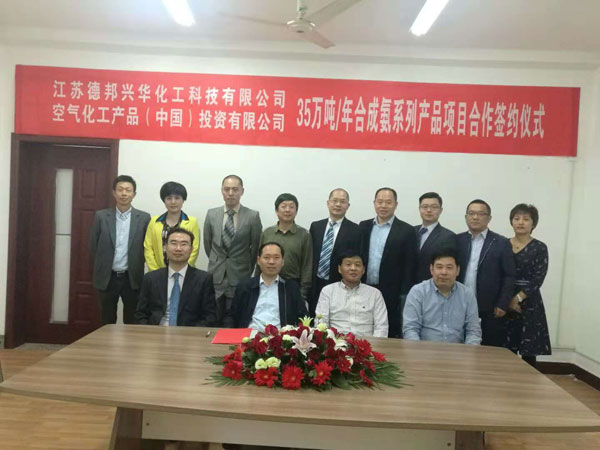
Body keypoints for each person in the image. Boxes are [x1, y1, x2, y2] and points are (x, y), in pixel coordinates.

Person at [90, 175, 150, 324]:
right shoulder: (101, 216)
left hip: (132, 277)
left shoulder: (144, 218)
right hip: (107, 277)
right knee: (107, 319)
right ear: (114, 192)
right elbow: (93, 246)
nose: (124, 193)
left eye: (128, 190)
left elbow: (147, 247)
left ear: (134, 194)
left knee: (133, 319)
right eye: (120, 189)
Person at [359, 187, 418, 338]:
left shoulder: (407, 230)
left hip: (392, 292)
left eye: (388, 202)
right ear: (374, 203)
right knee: (363, 326)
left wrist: (404, 294)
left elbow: (409, 265)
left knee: (388, 330)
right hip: (364, 287)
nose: (383, 206)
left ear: (396, 205)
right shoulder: (363, 226)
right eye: (380, 202)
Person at [204, 175, 262, 325]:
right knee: (212, 318)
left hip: (239, 275)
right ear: (221, 191)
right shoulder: (211, 214)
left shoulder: (252, 216)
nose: (230, 193)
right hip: (216, 274)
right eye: (227, 189)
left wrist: (246, 266)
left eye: (235, 189)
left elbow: (255, 248)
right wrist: (217, 260)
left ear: (242, 191)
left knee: (235, 319)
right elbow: (208, 244)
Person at [456, 199, 515, 347]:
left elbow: (509, 276)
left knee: (488, 348)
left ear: (489, 218)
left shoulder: (501, 243)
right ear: (466, 217)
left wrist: (503, 303)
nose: (475, 217)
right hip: (459, 303)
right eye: (471, 213)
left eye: (481, 214)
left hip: (489, 306)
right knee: (458, 345)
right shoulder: (457, 240)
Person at [135, 228, 216, 326]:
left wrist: (189, 333)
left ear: (191, 249)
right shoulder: (151, 278)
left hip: (188, 332)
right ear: (165, 247)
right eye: (174, 243)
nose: (178, 248)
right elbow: (140, 314)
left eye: (184, 244)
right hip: (156, 331)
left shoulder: (204, 279)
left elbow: (210, 317)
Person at [505, 204, 551, 368]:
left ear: (533, 223)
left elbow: (538, 278)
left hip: (530, 300)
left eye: (526, 219)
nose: (520, 222)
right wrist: (507, 300)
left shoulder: (539, 247)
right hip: (505, 297)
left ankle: (528, 381)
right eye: (516, 218)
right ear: (511, 221)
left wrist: (517, 298)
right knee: (505, 347)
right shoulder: (503, 244)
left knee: (528, 350)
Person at [403, 249, 481, 344]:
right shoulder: (418, 292)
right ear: (431, 269)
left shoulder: (467, 294)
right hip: (424, 350)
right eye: (439, 267)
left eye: (449, 267)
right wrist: (418, 351)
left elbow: (473, 331)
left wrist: (469, 351)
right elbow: (410, 329)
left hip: (457, 351)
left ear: (457, 270)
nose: (444, 272)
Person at [225, 242, 308, 330]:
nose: (271, 262)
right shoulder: (245, 286)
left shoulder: (291, 288)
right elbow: (231, 316)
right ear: (258, 260)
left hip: (280, 335)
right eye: (267, 257)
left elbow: (303, 316)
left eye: (276, 257)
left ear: (283, 261)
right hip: (250, 334)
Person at [309, 188, 361, 315]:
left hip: (339, 283)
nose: (338, 204)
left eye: (342, 202)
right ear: (328, 203)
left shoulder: (355, 230)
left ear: (348, 206)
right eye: (335, 201)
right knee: (314, 317)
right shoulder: (316, 226)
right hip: (315, 282)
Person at [316, 250, 388, 337]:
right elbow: (321, 323)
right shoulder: (328, 291)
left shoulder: (375, 294)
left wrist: (375, 344)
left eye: (357, 265)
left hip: (367, 343)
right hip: (336, 342)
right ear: (339, 269)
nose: (353, 268)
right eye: (348, 264)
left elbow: (381, 327)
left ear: (363, 270)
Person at [258, 193, 312, 302]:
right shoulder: (267, 233)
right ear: (276, 211)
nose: (287, 210)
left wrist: (303, 293)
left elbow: (307, 265)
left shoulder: (304, 234)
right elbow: (259, 260)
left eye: (291, 207)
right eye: (283, 206)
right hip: (268, 283)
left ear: (296, 211)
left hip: (293, 284)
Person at [144, 181, 199, 271]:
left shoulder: (192, 222)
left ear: (183, 200)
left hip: (185, 273)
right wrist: (155, 271)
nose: (173, 202)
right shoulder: (154, 221)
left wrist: (182, 271)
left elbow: (194, 249)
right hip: (157, 272)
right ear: (164, 200)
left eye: (177, 198)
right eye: (169, 198)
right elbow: (148, 248)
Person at [415, 192, 456, 283]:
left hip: (432, 285)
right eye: (425, 207)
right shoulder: (411, 231)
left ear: (440, 210)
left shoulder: (448, 237)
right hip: (407, 286)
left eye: (434, 207)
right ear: (419, 209)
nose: (429, 210)